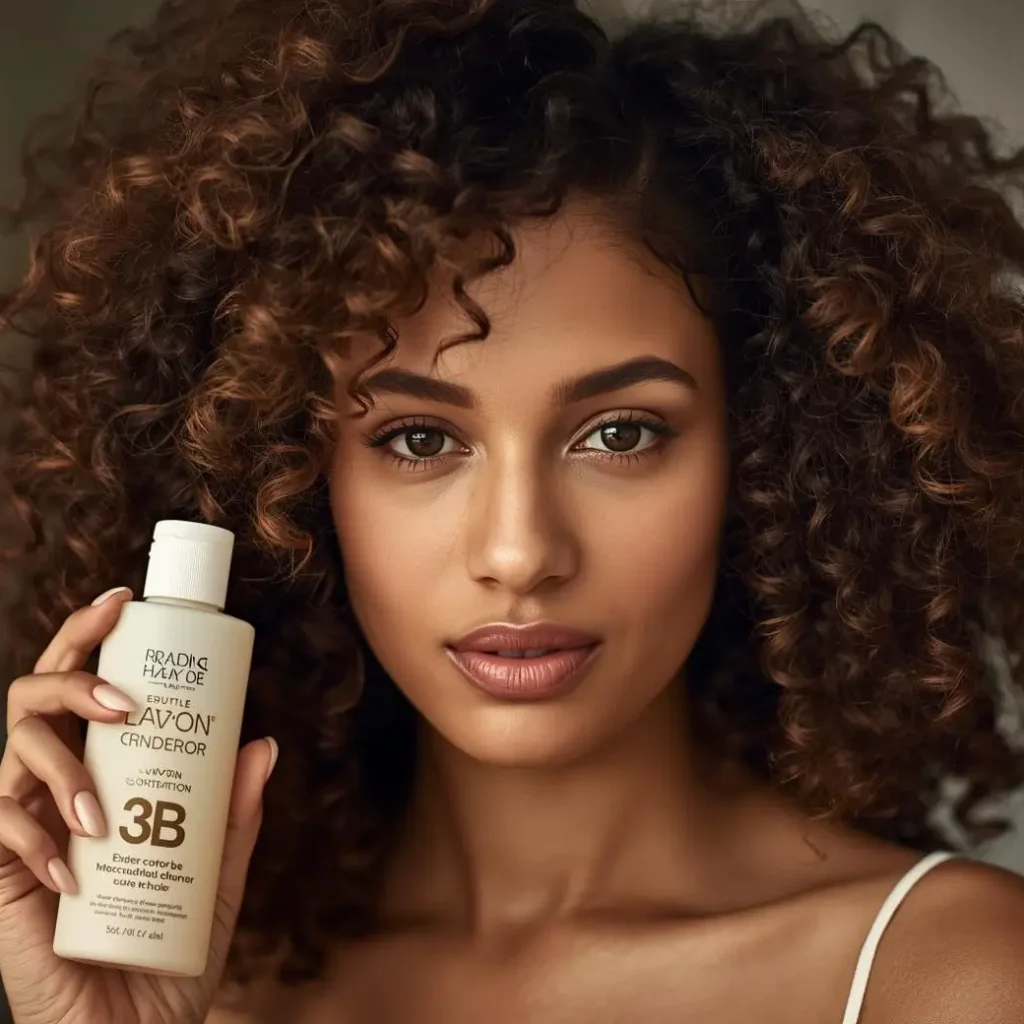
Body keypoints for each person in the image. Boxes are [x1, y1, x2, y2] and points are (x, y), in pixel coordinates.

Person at [1, 0, 1023, 1020]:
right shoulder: (217, 991)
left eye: (619, 434)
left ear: (766, 451)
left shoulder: (950, 977)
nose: (520, 551)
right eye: (419, 440)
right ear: (294, 480)